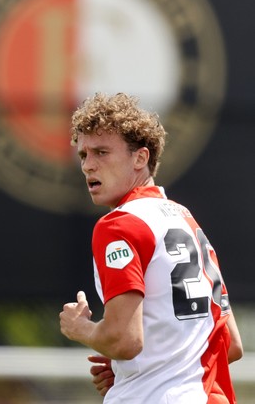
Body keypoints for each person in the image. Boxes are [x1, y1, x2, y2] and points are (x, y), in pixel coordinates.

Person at [59, 92, 243, 403]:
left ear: (140, 158)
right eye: (83, 155)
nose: (88, 166)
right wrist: (139, 368)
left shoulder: (118, 224)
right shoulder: (186, 221)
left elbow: (124, 340)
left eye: (101, 152)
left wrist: (81, 328)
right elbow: (232, 345)